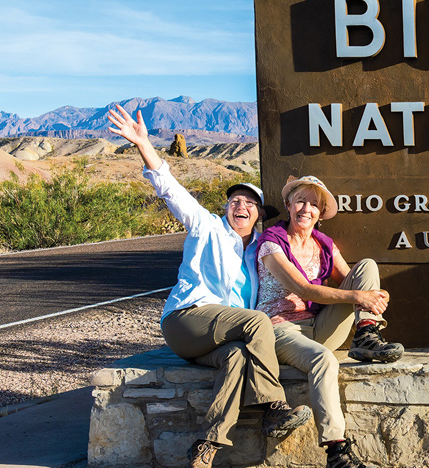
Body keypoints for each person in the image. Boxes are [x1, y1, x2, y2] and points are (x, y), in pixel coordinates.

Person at [107, 105, 309, 468]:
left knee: (237, 357)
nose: (241, 206)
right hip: (186, 320)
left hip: (212, 341)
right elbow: (168, 187)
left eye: (250, 203)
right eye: (235, 201)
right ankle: (273, 408)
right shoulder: (207, 227)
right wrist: (143, 144)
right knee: (254, 323)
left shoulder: (258, 253)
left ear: (260, 215)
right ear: (226, 208)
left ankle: (207, 447)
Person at [253, 175, 404, 468]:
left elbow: (353, 281)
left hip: (318, 326)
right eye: (301, 201)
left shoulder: (324, 244)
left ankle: (366, 335)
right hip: (280, 329)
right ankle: (336, 450)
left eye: (314, 204)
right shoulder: (271, 243)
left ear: (321, 213)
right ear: (288, 204)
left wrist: (371, 298)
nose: (306, 209)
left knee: (367, 267)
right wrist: (360, 296)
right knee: (324, 359)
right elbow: (304, 290)